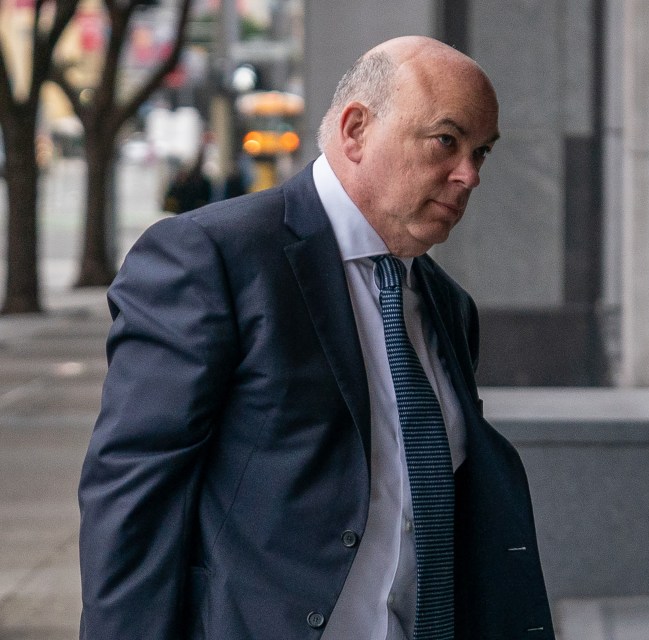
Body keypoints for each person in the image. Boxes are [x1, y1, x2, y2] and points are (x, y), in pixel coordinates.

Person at [78, 36, 555, 639]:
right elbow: (133, 496)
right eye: (446, 141)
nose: (469, 175)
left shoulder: (447, 306)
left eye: (481, 152)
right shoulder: (213, 258)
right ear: (356, 129)